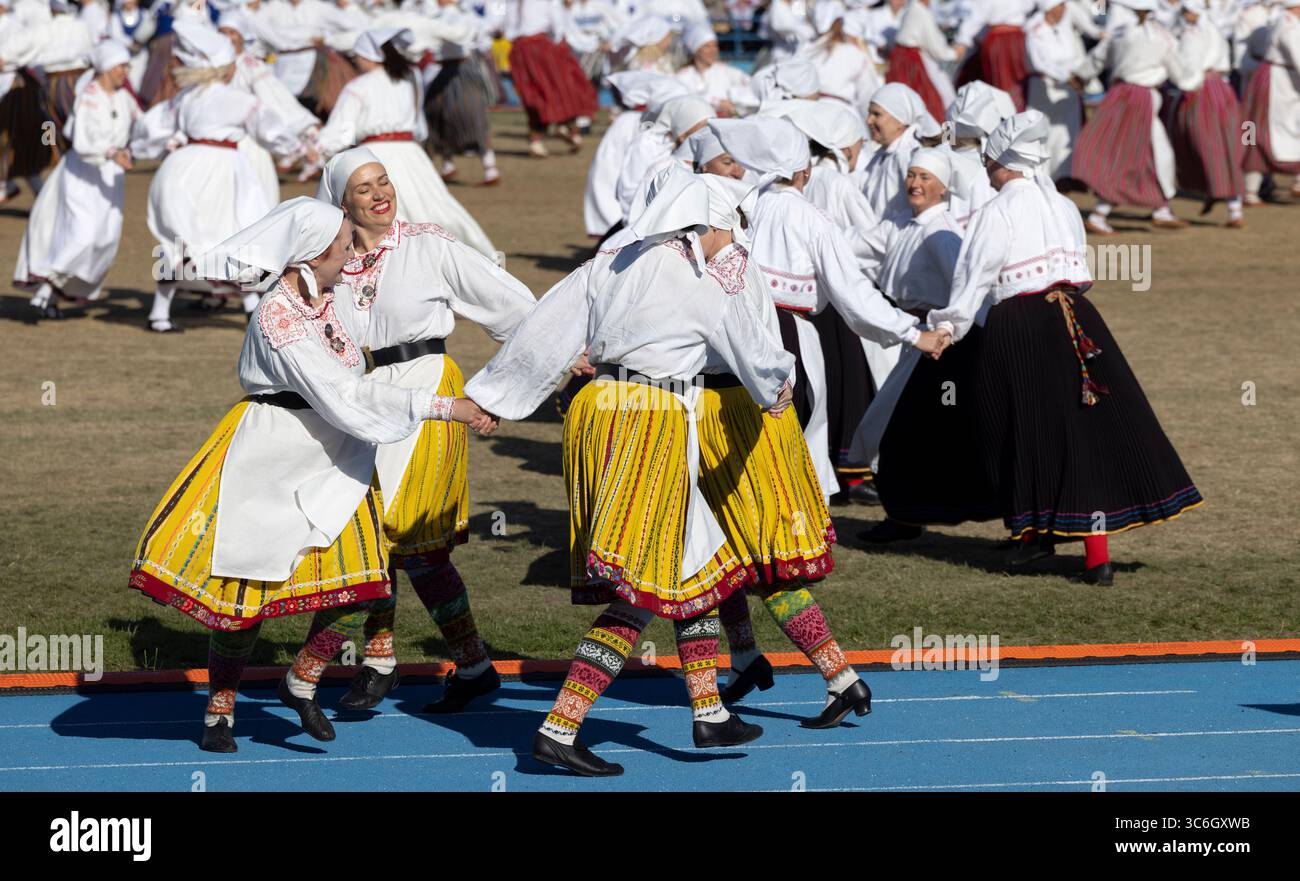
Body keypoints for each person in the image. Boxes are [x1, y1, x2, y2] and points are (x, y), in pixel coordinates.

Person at [129, 197, 496, 753]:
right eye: (345, 244)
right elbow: (343, 392)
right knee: (243, 593)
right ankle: (219, 713)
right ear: (315, 254)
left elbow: (357, 374)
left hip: (333, 453)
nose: (353, 253)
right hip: (273, 452)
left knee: (361, 579)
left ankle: (300, 679)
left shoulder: (326, 300)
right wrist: (447, 407)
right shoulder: (279, 318)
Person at [465, 169, 796, 776]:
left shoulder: (615, 258)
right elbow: (755, 353)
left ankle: (710, 714)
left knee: (693, 564)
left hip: (602, 412)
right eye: (728, 225)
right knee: (645, 583)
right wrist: (779, 388)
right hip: (652, 420)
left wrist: (496, 396)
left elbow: (548, 325)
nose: (733, 237)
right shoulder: (701, 276)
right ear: (706, 223)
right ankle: (559, 727)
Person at [926, 111, 1203, 585]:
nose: (987, 173)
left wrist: (946, 328)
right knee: (1082, 428)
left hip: (1019, 324)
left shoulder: (998, 211)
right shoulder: (1063, 206)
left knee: (1020, 428)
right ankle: (1091, 552)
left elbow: (973, 278)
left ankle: (1034, 535)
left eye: (990, 163)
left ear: (1003, 164)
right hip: (1076, 316)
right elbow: (1082, 271)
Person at [312, 148, 538, 712]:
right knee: (368, 535)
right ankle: (462, 665)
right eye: (364, 188)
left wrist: (518, 382)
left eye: (383, 182)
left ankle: (381, 662)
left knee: (405, 533)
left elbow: (511, 305)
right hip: (362, 399)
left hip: (429, 384)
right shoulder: (326, 261)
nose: (379, 193)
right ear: (343, 201)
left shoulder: (427, 244)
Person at [708, 115, 950, 504]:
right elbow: (852, 291)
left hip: (734, 329)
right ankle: (785, 528)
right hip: (787, 333)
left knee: (736, 426)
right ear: (803, 172)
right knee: (792, 426)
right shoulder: (810, 218)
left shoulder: (745, 207)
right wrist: (913, 333)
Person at [853, 147, 998, 543]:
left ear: (943, 188)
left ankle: (906, 515)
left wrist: (955, 339)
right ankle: (903, 514)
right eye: (912, 175)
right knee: (892, 429)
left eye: (925, 178)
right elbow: (852, 246)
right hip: (910, 337)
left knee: (898, 428)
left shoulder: (940, 234)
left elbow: (967, 290)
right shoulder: (902, 224)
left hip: (937, 347)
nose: (915, 184)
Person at [131, 18, 310, 332]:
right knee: (240, 236)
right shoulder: (237, 100)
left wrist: (138, 150)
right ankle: (251, 307)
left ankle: (160, 313)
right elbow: (271, 130)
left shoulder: (183, 98)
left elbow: (150, 128)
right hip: (224, 171)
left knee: (180, 242)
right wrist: (296, 147)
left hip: (181, 170)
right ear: (226, 68)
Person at [317, 28, 499, 259]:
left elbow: (339, 132)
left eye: (358, 57)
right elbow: (419, 125)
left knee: (385, 214)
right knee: (436, 207)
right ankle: (474, 257)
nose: (356, 62)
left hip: (375, 157)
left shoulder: (358, 87)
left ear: (369, 56)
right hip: (412, 154)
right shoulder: (410, 78)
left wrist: (315, 149)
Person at [17, 42, 139, 320]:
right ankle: (44, 292)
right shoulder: (90, 96)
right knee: (80, 235)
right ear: (107, 67)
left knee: (104, 239)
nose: (126, 71)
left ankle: (52, 297)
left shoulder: (122, 98)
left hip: (110, 178)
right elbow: (84, 141)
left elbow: (140, 125)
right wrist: (110, 152)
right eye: (121, 65)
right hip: (82, 174)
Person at [1172, 0, 1246, 226]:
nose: (1184, 14)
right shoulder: (1214, 28)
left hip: (1201, 92)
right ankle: (1233, 205)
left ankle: (1223, 196)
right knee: (1229, 145)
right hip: (1223, 91)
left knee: (1204, 145)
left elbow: (1189, 67)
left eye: (1186, 10)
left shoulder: (1192, 34)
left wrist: (1185, 87)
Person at [506, 0, 597, 157]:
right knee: (545, 91)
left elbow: (508, 25)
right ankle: (559, 132)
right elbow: (555, 21)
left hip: (529, 46)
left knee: (545, 91)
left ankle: (557, 132)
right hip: (530, 46)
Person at [423, 0, 500, 186]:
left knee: (472, 115)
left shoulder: (464, 17)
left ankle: (490, 168)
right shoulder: (436, 17)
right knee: (437, 114)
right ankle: (448, 165)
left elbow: (482, 39)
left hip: (463, 69)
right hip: (443, 69)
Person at [1025, 0, 1094, 184]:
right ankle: (1041, 176)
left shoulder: (1063, 27)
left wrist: (1080, 76)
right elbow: (1041, 63)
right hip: (1044, 89)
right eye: (1060, 5)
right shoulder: (1035, 30)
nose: (1064, 9)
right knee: (1043, 133)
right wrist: (1067, 77)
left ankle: (1064, 175)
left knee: (1066, 131)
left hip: (1067, 90)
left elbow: (1073, 56)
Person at [1240, 0, 1300, 203]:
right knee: (1258, 132)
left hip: (1287, 82)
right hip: (1277, 81)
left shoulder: (1286, 21)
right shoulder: (1288, 26)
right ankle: (1250, 190)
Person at [861, 82, 936, 222]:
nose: (868, 120)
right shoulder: (881, 155)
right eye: (869, 113)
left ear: (900, 120)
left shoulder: (909, 155)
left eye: (877, 114)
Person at [953, 0, 1035, 111]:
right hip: (1009, 40)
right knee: (1005, 86)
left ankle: (1014, 120)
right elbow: (976, 15)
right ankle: (1010, 120)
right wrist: (963, 40)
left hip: (1010, 40)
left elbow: (977, 15)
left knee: (1013, 86)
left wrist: (962, 40)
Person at [888, 0, 958, 122]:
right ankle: (946, 137)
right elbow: (935, 46)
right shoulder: (920, 11)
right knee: (937, 102)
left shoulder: (911, 8)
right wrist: (953, 54)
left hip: (904, 59)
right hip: (912, 62)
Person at [675, 18, 750, 116]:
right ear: (695, 50)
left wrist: (734, 104)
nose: (713, 50)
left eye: (715, 46)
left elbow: (751, 90)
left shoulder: (728, 72)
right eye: (707, 46)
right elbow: (679, 102)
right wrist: (716, 102)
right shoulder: (682, 76)